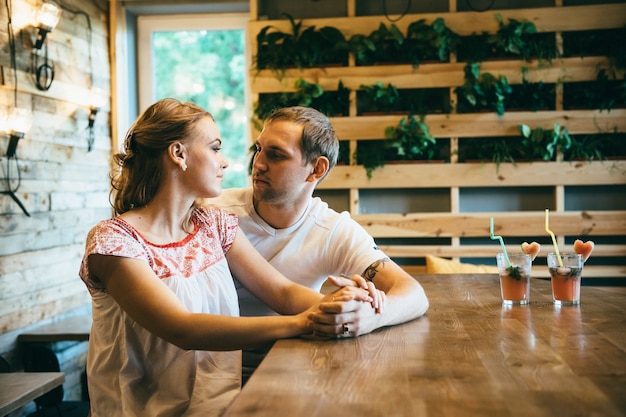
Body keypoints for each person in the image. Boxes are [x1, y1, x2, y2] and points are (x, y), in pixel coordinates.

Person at [78, 99, 381, 417]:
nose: (226, 163)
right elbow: (182, 329)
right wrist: (302, 323)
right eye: (214, 148)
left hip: (221, 407)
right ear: (178, 154)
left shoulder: (212, 224)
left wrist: (350, 307)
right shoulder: (113, 241)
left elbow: (282, 292)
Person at [202, 106, 430, 382]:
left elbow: (414, 293)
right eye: (258, 149)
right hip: (209, 369)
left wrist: (370, 316)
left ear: (316, 169)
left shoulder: (332, 229)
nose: (258, 164)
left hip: (291, 369)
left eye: (275, 155)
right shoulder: (214, 211)